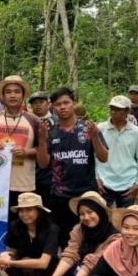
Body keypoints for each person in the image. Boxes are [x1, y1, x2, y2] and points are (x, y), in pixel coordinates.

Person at [0, 75, 40, 276]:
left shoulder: (33, 120)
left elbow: (42, 151)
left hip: (24, 183)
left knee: (21, 228)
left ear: (23, 95)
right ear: (2, 96)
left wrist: (28, 151)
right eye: (8, 92)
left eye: (17, 91)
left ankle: (18, 270)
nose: (13, 95)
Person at [37, 87, 108, 249]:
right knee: (64, 238)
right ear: (52, 107)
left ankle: (88, 271)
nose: (62, 107)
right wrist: (42, 139)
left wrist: (95, 136)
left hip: (86, 195)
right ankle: (67, 271)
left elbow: (104, 158)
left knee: (90, 238)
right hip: (60, 196)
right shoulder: (51, 132)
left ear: (74, 103)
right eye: (57, 104)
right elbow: (43, 163)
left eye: (66, 102)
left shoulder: (88, 128)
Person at [48, 191, 119, 276]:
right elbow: (70, 254)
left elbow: (94, 262)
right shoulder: (79, 229)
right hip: (85, 270)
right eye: (81, 214)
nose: (86, 217)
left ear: (100, 211)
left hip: (106, 275)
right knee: (60, 265)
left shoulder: (114, 235)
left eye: (90, 212)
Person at [0, 192, 59, 276]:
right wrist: (2, 257)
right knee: (5, 259)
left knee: (50, 266)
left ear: (39, 211)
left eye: (29, 210)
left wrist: (12, 263)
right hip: (24, 260)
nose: (24, 214)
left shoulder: (51, 229)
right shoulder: (16, 226)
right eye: (21, 211)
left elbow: (43, 263)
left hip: (47, 267)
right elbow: (10, 249)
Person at [96, 95, 138, 208]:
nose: (114, 112)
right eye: (112, 108)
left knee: (125, 220)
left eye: (118, 109)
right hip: (105, 183)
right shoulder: (100, 129)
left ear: (127, 111)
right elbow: (94, 156)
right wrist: (97, 178)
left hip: (128, 183)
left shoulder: (136, 132)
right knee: (105, 220)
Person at [29, 91, 58, 206]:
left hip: (52, 175)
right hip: (29, 173)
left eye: (41, 102)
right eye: (34, 103)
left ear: (48, 103)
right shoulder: (27, 121)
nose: (38, 105)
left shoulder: (57, 122)